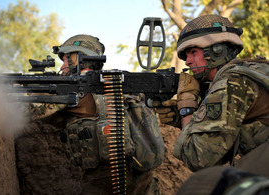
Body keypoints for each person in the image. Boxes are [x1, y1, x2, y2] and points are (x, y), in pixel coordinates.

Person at [15, 34, 165, 194]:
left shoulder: (75, 88)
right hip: (143, 179)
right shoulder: (112, 84)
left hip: (105, 179)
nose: (61, 67)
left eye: (65, 59)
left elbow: (24, 113)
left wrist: (18, 91)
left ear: (78, 57)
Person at [154, 15, 269, 177]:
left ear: (217, 51)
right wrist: (183, 118)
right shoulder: (249, 72)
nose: (187, 62)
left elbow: (198, 158)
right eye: (186, 56)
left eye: (193, 52)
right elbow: (221, 147)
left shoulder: (231, 83)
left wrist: (187, 104)